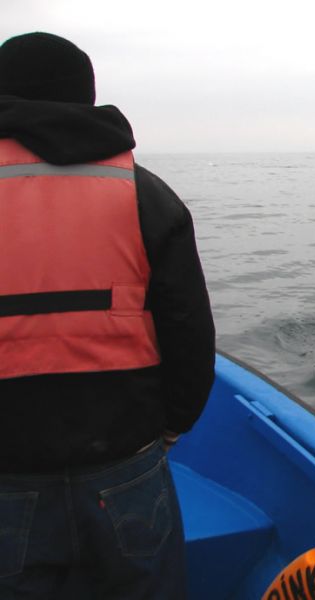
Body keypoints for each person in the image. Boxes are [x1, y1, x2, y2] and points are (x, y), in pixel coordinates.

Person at [0, 32, 215, 599]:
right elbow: (190, 332)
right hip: (125, 468)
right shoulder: (145, 194)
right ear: (87, 98)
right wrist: (172, 426)